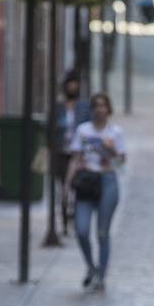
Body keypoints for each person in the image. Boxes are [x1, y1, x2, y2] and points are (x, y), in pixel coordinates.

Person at [66, 92, 126, 292]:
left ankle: (101, 275)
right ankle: (91, 267)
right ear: (92, 109)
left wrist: (111, 150)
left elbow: (121, 162)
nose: (100, 110)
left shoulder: (115, 132)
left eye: (104, 106)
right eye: (97, 106)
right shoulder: (83, 131)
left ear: (109, 109)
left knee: (102, 232)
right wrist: (67, 186)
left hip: (107, 180)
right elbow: (75, 158)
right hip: (86, 181)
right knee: (81, 230)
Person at [51, 73, 91, 227]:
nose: (72, 87)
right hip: (61, 152)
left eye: (74, 84)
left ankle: (74, 212)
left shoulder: (84, 108)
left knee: (75, 184)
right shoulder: (58, 108)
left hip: (77, 154)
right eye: (70, 84)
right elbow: (51, 130)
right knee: (63, 186)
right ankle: (64, 215)